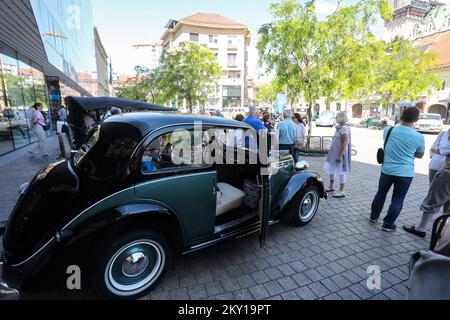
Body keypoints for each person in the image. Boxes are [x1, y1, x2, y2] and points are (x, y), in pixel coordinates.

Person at [369, 107, 425, 232]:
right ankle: (388, 224)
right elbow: (420, 155)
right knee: (398, 199)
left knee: (381, 193)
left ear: (401, 116)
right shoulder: (419, 136)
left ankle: (373, 217)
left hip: (387, 170)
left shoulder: (388, 130)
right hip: (405, 173)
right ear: (416, 119)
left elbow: (388, 144)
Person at [404, 154, 450, 238]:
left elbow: (444, 149)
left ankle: (421, 228)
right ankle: (442, 231)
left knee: (434, 200)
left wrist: (437, 149)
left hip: (447, 173)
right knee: (447, 207)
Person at [325, 112, 352, 199]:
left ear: (340, 118)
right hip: (333, 153)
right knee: (331, 169)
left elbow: (344, 142)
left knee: (341, 171)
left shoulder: (344, 128)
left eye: (336, 117)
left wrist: (340, 155)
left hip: (340, 154)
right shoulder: (338, 128)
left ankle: (342, 190)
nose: (336, 119)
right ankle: (331, 186)